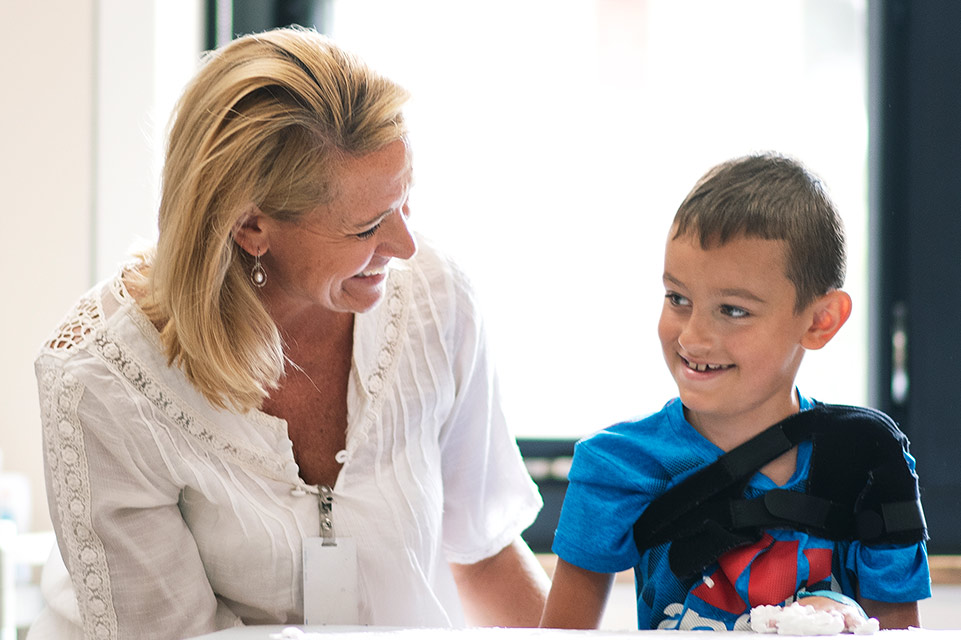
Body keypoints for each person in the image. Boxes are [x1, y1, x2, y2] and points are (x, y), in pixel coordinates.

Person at [31, 27, 548, 639]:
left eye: (405, 202)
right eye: (367, 227)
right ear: (252, 226)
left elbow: (485, 556)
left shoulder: (436, 299)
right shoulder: (106, 383)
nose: (405, 246)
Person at [540, 153, 931, 632]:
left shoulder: (870, 458)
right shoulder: (615, 466)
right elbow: (560, 638)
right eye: (678, 299)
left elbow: (901, 633)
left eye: (733, 310)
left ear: (820, 320)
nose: (692, 338)